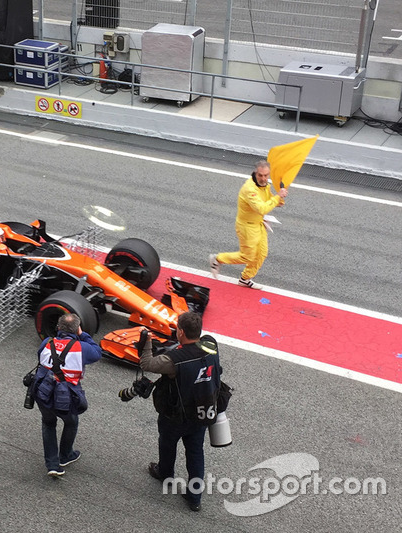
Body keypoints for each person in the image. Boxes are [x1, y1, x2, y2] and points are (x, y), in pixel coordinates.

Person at [138, 311, 222, 512]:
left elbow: (147, 364)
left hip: (176, 415)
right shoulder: (212, 346)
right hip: (203, 412)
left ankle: (165, 473)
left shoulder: (174, 359)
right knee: (195, 452)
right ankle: (195, 498)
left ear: (181, 332)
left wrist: (147, 342)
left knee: (167, 444)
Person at [33, 313, 102, 477]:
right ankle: (66, 455)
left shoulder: (46, 343)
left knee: (48, 423)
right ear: (77, 329)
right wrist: (82, 334)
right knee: (71, 422)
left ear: (58, 328)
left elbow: (40, 359)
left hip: (43, 392)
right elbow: (97, 352)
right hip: (67, 396)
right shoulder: (82, 348)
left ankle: (52, 465)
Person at [209, 160, 288, 290]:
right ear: (255, 173)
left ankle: (245, 279)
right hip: (247, 227)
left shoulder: (265, 185)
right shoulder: (249, 189)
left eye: (266, 175)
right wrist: (276, 198)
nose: (263, 178)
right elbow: (262, 208)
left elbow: (268, 199)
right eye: (260, 175)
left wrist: (279, 199)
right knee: (248, 256)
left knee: (262, 254)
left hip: (259, 223)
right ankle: (217, 259)